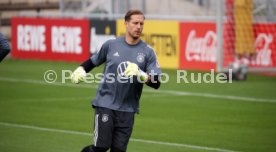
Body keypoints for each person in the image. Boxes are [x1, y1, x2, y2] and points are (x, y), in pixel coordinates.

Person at [71, 10, 162, 152]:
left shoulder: (148, 52)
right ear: (126, 23)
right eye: (135, 23)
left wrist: (141, 74)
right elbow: (93, 61)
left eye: (141, 23)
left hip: (128, 109)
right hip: (105, 104)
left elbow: (156, 82)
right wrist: (81, 69)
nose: (139, 27)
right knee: (101, 147)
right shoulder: (111, 45)